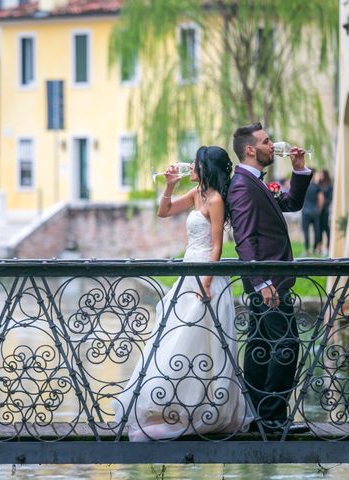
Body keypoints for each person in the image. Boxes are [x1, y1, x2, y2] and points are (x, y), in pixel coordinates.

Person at [114, 146, 253, 441]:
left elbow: (216, 246)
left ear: (205, 168)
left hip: (205, 275)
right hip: (188, 271)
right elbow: (163, 212)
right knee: (176, 335)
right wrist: (169, 186)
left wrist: (206, 283)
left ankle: (204, 407)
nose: (190, 166)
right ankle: (174, 403)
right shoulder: (196, 195)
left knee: (202, 340)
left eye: (195, 163)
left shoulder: (215, 200)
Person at [227, 122, 312, 434]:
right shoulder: (241, 186)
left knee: (260, 345)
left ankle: (256, 415)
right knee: (286, 343)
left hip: (270, 281)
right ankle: (273, 417)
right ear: (251, 149)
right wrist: (262, 282)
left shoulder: (255, 182)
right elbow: (245, 238)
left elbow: (292, 203)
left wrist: (299, 169)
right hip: (268, 283)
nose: (272, 145)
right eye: (266, 141)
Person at [301, 174, 324, 256]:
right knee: (316, 231)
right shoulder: (317, 187)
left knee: (306, 231)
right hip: (315, 211)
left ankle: (307, 250)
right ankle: (314, 249)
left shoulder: (304, 186)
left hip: (305, 211)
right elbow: (321, 199)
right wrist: (319, 210)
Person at [318, 169, 333, 255]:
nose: (320, 176)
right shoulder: (319, 185)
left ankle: (328, 245)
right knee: (319, 228)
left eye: (322, 174)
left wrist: (324, 204)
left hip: (325, 210)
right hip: (319, 210)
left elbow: (329, 198)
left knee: (326, 228)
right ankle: (319, 246)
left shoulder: (328, 186)